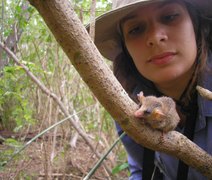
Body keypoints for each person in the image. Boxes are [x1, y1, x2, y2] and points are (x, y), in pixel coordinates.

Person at [89, 0, 212, 179]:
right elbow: (142, 169)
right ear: (125, 47)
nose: (155, 37)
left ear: (195, 23)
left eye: (170, 16)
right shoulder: (127, 103)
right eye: (136, 29)